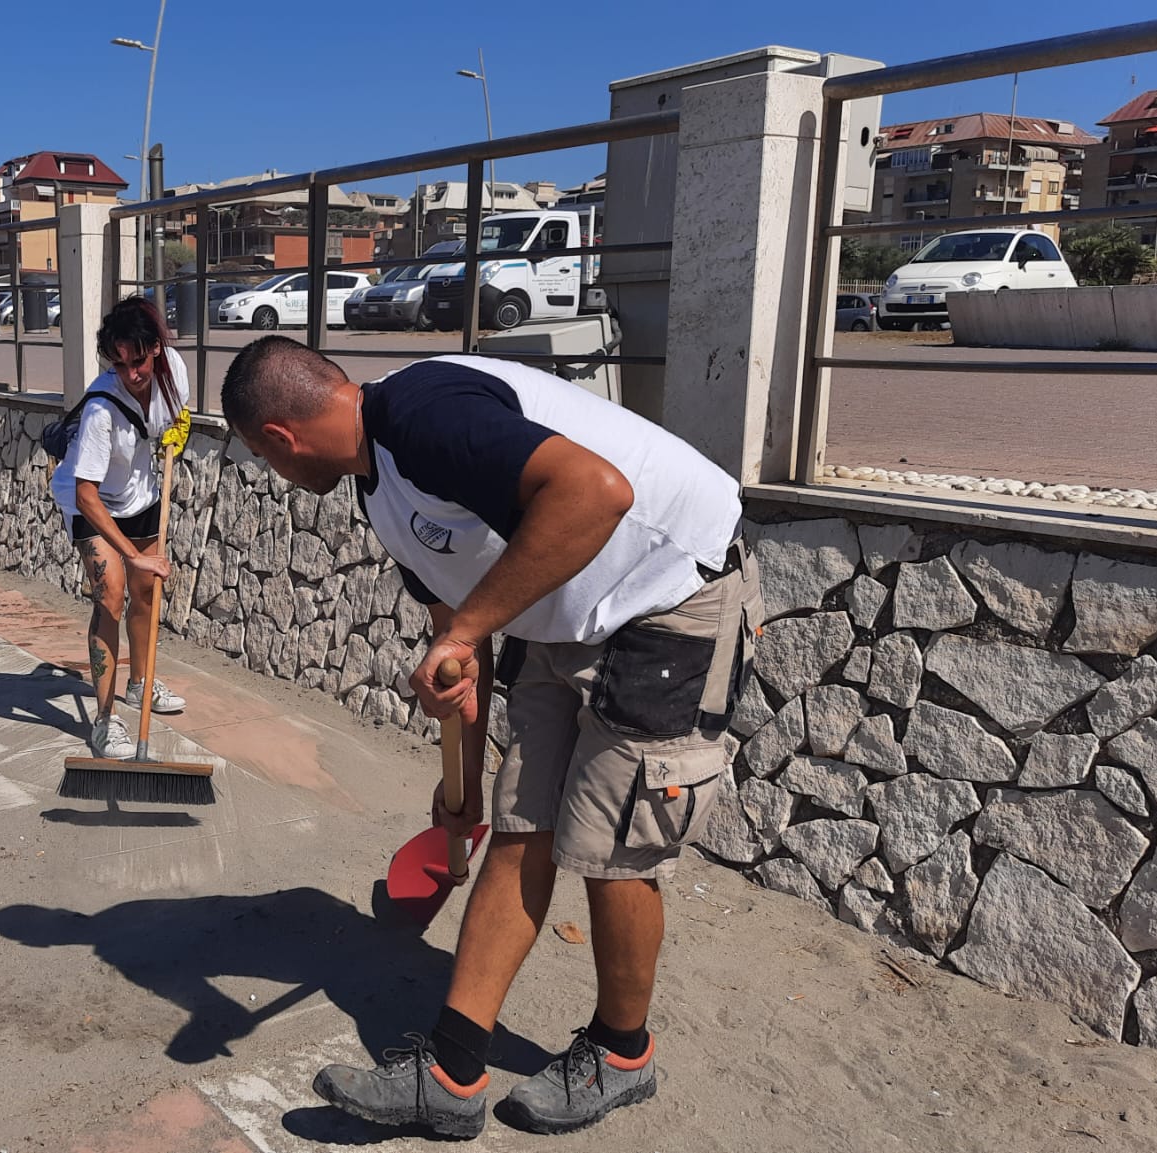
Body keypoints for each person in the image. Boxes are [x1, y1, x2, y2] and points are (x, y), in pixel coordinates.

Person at [221, 338, 759, 1140]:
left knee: (611, 842)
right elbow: (456, 650)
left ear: (278, 440)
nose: (275, 474)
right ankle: (450, 1073)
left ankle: (622, 1053)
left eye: (265, 461)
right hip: (567, 611)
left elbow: (595, 491)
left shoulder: (422, 413)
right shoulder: (378, 493)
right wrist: (459, 797)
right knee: (520, 822)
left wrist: (468, 627)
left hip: (669, 591)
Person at [48, 297, 192, 759]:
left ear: (156, 348)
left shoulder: (173, 370)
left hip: (139, 494)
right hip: (90, 500)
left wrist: (179, 426)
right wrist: (129, 553)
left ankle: (140, 684)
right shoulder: (100, 410)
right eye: (121, 363)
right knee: (110, 594)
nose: (132, 373)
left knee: (146, 592)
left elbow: (175, 413)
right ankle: (106, 721)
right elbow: (88, 494)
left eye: (139, 360)